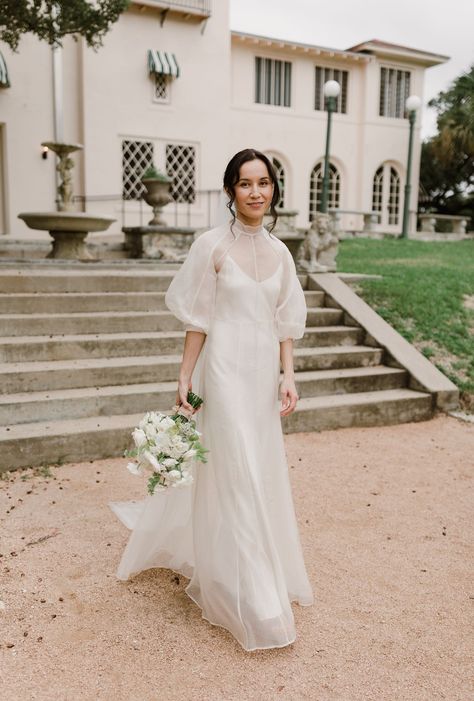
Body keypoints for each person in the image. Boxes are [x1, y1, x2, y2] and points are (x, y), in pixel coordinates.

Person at [109, 148, 314, 651]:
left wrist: (288, 376)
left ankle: (244, 568)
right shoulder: (211, 247)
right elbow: (197, 319)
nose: (256, 192)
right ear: (230, 191)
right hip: (221, 372)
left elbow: (284, 323)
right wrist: (184, 377)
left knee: (257, 469)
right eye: (245, 184)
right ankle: (256, 597)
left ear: (273, 190)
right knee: (236, 471)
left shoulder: (282, 254)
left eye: (264, 183)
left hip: (262, 376)